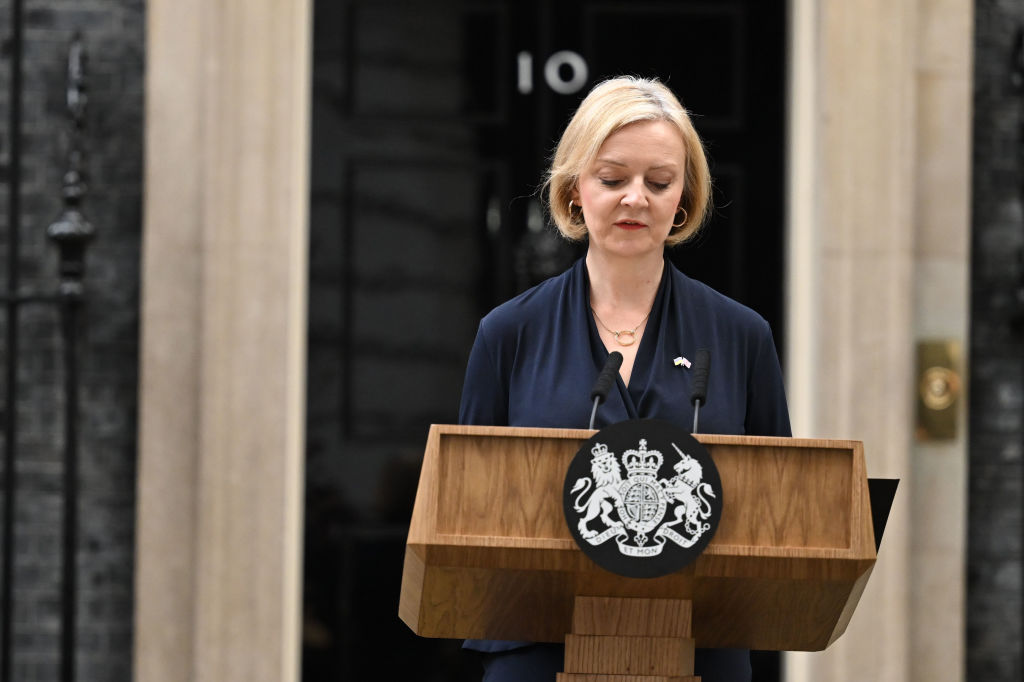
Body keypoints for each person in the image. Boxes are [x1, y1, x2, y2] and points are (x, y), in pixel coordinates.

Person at [458, 76, 791, 682]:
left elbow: (782, 514)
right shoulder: (508, 334)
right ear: (574, 190)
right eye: (613, 179)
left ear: (684, 198)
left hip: (701, 650)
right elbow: (468, 513)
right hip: (538, 651)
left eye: (658, 182)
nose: (635, 198)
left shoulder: (743, 337)